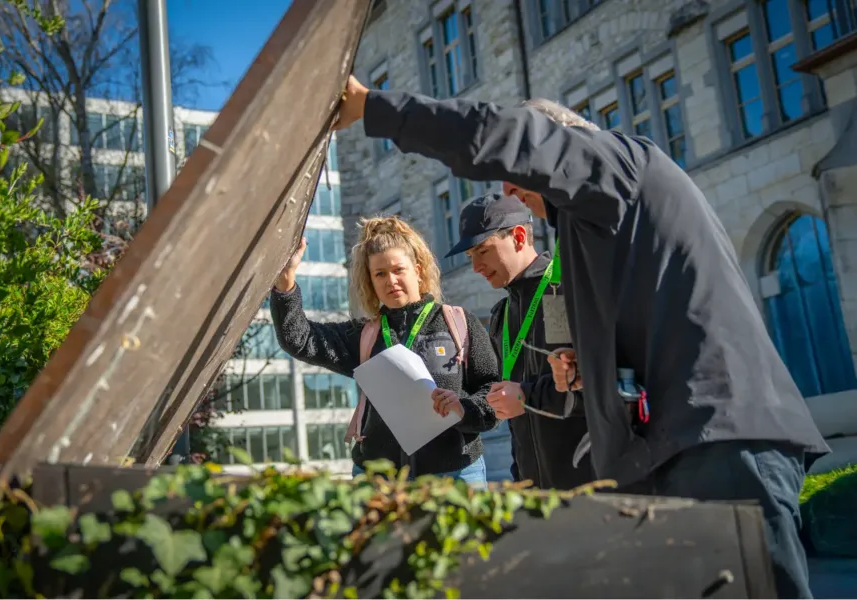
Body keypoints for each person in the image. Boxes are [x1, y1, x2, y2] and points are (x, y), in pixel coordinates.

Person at [331, 76, 829, 598]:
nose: (514, 194)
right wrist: (589, 365)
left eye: (518, 178)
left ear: (559, 148)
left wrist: (373, 108)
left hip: (720, 441)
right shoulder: (607, 220)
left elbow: (497, 135)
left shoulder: (620, 166)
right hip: (684, 445)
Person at [270, 216, 499, 487]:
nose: (391, 280)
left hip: (455, 475)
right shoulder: (364, 335)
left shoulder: (459, 323)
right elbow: (298, 338)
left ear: (418, 270)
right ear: (371, 281)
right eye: (380, 274)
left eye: (398, 270)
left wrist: (462, 407)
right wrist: (285, 283)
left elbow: (492, 392)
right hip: (379, 480)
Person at [444, 191, 593, 490]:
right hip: (531, 490)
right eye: (471, 257)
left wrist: (526, 396)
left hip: (590, 486)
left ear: (519, 237)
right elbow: (514, 415)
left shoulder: (566, 289)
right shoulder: (501, 314)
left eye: (483, 251)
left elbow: (598, 388)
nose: (476, 267)